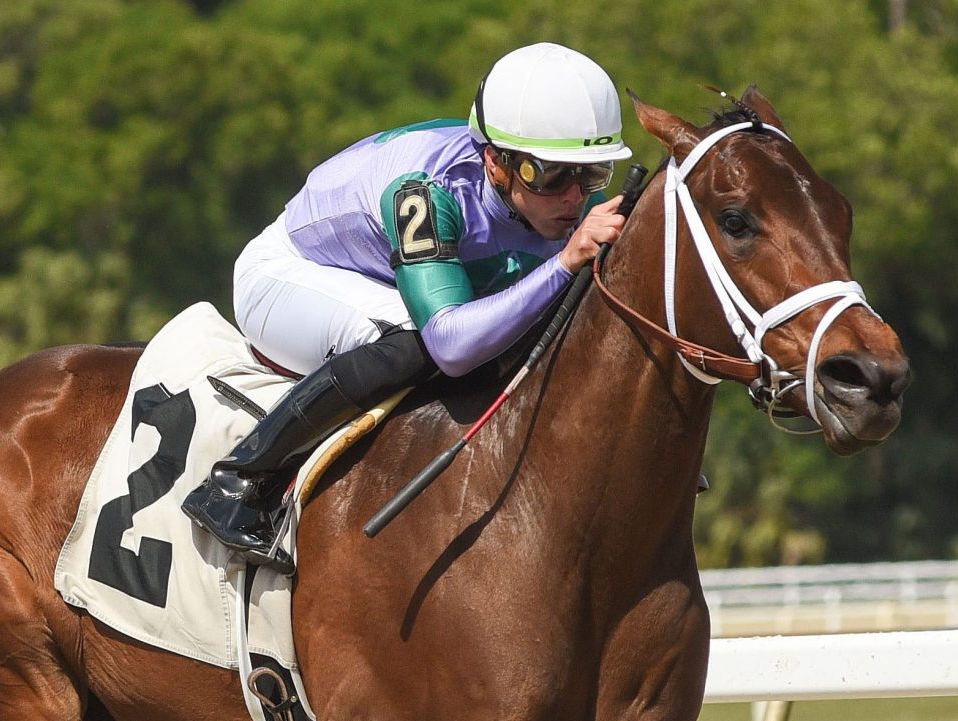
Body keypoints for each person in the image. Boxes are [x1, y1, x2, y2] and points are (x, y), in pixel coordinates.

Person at [180, 41, 633, 571]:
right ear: (497, 161)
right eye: (552, 175)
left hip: (386, 276)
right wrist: (563, 264)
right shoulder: (426, 191)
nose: (575, 196)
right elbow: (451, 345)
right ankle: (241, 480)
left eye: (593, 174)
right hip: (290, 275)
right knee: (411, 341)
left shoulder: (556, 197)